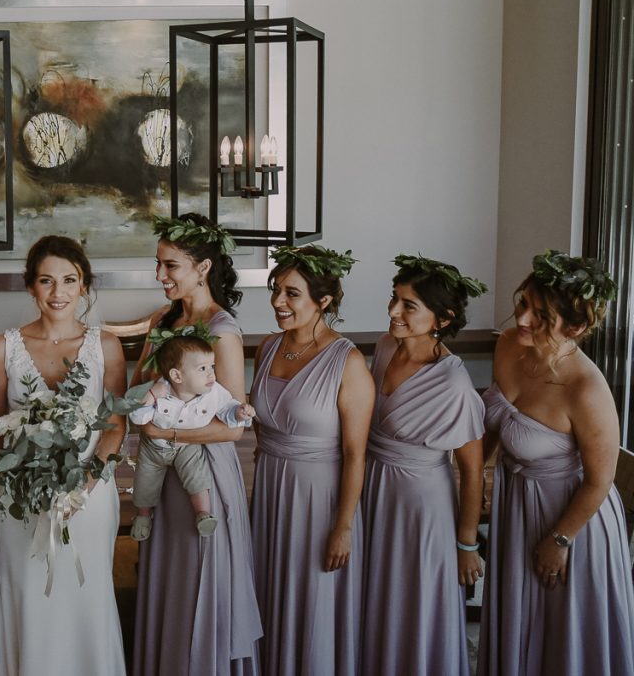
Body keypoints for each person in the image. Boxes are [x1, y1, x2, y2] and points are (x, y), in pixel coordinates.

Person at [478, 250, 634, 675]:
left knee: (561, 638)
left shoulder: (585, 389)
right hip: (517, 507)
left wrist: (559, 541)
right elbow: (496, 421)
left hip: (571, 520)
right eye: (523, 303)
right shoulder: (509, 345)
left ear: (577, 327)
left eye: (540, 315)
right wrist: (477, 479)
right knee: (519, 624)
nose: (522, 319)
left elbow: (600, 481)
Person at [0, 235, 128, 676]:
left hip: (88, 494)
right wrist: (23, 474)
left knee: (87, 596)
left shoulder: (106, 347)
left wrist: (85, 481)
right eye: (47, 281)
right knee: (28, 596)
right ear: (31, 287)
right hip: (20, 497)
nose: (58, 292)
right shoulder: (2, 347)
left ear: (84, 286)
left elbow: (115, 423)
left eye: (69, 280)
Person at [131, 213, 262, 676]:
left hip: (205, 467)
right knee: (169, 577)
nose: (161, 275)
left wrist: (167, 432)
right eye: (159, 264)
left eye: (171, 266)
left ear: (202, 268)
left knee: (200, 574)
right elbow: (136, 386)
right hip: (161, 471)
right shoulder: (162, 320)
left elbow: (232, 426)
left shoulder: (222, 331)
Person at [360, 254, 487, 676]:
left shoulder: (454, 384)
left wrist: (466, 544)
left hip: (420, 505)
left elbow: (471, 472)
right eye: (394, 299)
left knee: (412, 598)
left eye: (408, 305)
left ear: (442, 318)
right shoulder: (383, 346)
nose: (394, 311)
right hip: (372, 488)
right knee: (375, 594)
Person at [248, 244, 373, 676]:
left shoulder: (349, 362)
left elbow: (357, 454)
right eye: (276, 290)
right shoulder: (267, 347)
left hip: (319, 499)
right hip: (269, 491)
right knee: (268, 592)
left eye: (292, 293)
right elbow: (260, 425)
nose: (278, 302)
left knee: (312, 600)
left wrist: (343, 526)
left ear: (324, 301)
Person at [129, 328, 255, 541]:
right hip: (154, 448)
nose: (211, 374)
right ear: (177, 375)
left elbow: (227, 408)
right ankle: (142, 515)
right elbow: (138, 418)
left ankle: (203, 514)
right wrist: (150, 396)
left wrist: (239, 412)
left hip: (187, 446)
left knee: (197, 475)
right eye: (203, 368)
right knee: (145, 481)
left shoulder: (214, 392)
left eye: (212, 367)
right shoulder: (159, 391)